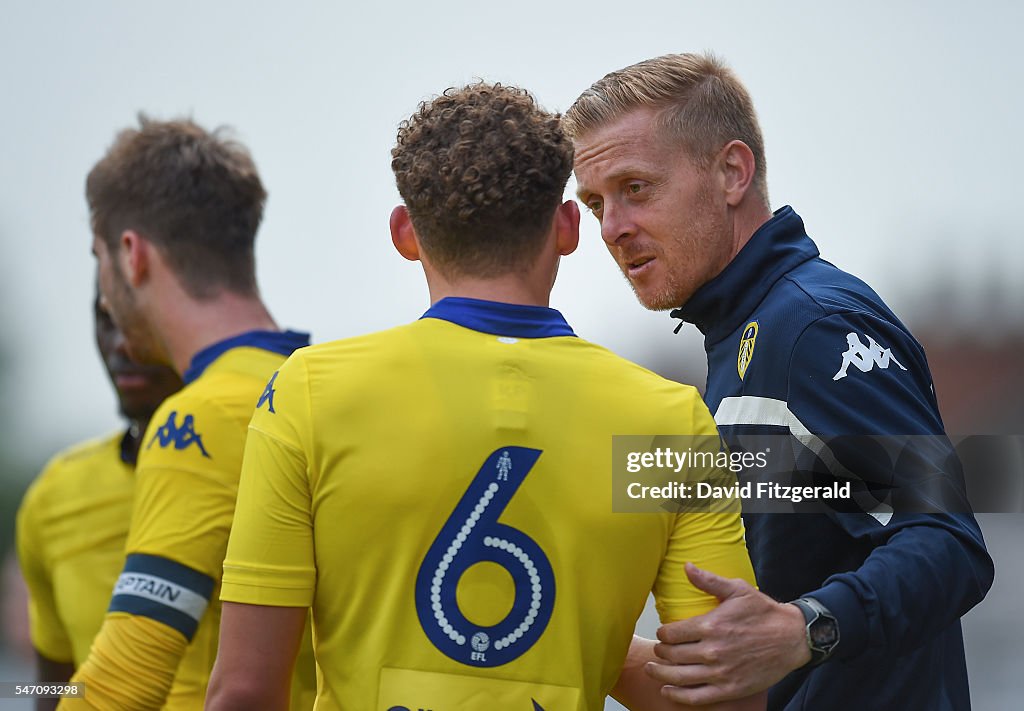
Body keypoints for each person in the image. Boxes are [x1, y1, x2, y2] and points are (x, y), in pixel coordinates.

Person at [205, 83, 763, 711]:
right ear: (567, 227)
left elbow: (244, 692)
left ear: (405, 233)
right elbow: (724, 696)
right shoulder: (666, 420)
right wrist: (589, 642)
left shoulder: (309, 392)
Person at [566, 53, 994, 710]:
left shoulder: (813, 328)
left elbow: (946, 540)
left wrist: (806, 627)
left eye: (637, 188)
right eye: (595, 202)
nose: (612, 228)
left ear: (733, 172)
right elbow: (753, 657)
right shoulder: (734, 342)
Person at [62, 116, 315, 710]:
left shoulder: (195, 418)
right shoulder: (326, 383)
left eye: (97, 257)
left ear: (131, 256)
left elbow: (121, 684)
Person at [16, 295, 182, 711]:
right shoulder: (56, 494)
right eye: (105, 319)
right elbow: (54, 690)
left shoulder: (274, 463)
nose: (121, 344)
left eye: (141, 319)